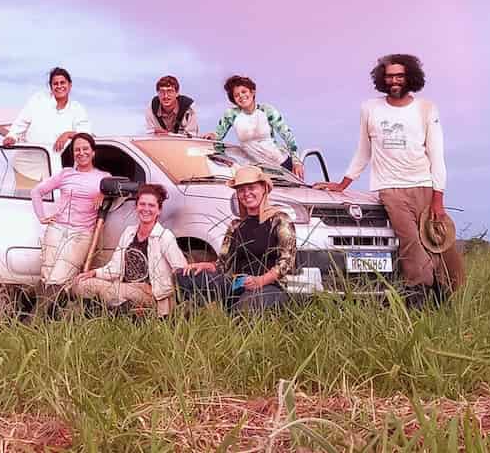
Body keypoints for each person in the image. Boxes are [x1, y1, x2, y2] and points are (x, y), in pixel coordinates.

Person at [316, 54, 465, 303]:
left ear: (410, 78)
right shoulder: (370, 108)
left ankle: (447, 298)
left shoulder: (426, 108)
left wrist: (438, 198)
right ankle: (418, 298)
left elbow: (436, 155)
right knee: (411, 244)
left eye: (399, 76)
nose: (394, 80)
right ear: (382, 79)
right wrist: (343, 183)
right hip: (391, 189)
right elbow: (363, 150)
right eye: (389, 76)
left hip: (424, 185)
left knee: (437, 242)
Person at [177, 166, 296, 313]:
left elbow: (287, 262)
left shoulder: (279, 220)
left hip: (268, 285)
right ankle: (191, 317)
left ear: (264, 188)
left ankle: (241, 310)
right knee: (184, 276)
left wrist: (260, 281)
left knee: (246, 307)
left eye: (252, 188)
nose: (246, 194)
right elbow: (223, 264)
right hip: (237, 283)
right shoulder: (236, 225)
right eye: (241, 190)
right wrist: (206, 265)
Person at [71, 184, 188, 316]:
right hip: (123, 288)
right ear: (136, 206)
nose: (146, 209)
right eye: (142, 204)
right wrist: (94, 273)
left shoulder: (164, 236)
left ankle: (131, 313)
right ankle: (114, 313)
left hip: (150, 292)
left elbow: (181, 269)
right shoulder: (129, 232)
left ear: (159, 210)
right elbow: (115, 268)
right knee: (81, 284)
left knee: (111, 292)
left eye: (151, 205)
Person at [29, 133, 111, 291]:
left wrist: (104, 192)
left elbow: (120, 189)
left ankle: (40, 314)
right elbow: (36, 192)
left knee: (59, 278)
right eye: (77, 150)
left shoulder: (103, 177)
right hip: (57, 229)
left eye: (85, 149)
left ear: (93, 152)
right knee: (46, 276)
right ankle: (47, 314)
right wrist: (42, 217)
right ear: (73, 154)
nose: (81, 153)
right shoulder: (65, 173)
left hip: (81, 233)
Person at [3, 67, 92, 190]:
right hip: (26, 167)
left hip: (54, 171)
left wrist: (67, 134)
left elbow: (86, 136)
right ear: (51, 87)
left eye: (63, 82)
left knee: (49, 207)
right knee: (25, 206)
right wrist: (11, 136)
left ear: (70, 85)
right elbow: (21, 122)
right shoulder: (38, 100)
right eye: (55, 83)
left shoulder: (78, 109)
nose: (59, 86)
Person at [203, 75, 304, 180]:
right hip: (256, 170)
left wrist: (296, 162)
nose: (241, 96)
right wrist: (213, 137)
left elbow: (288, 135)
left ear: (252, 92)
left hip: (282, 166)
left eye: (244, 91)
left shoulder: (267, 110)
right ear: (233, 99)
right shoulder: (231, 114)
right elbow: (218, 136)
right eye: (236, 95)